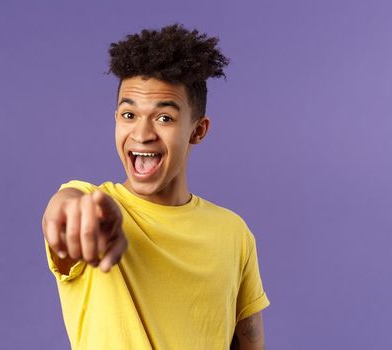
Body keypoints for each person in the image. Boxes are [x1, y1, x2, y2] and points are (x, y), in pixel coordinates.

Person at [41, 24, 269, 349]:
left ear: (198, 130)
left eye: (164, 118)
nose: (142, 133)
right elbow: (65, 210)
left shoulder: (234, 233)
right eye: (129, 114)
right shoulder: (92, 204)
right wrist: (78, 212)